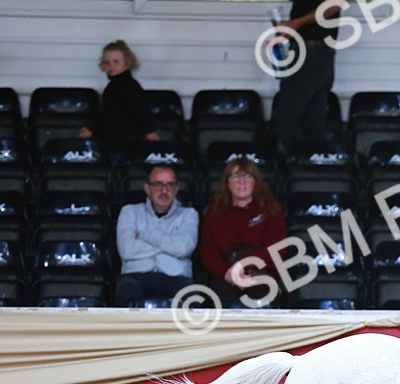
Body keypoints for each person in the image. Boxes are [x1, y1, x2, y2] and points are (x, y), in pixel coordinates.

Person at [198, 158, 287, 307]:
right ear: (227, 182)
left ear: (255, 182)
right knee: (220, 300)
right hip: (225, 276)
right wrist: (228, 274)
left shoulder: (271, 210)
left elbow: (278, 248)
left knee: (263, 298)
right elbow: (208, 250)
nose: (242, 181)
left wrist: (243, 265)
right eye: (236, 176)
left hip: (262, 275)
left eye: (247, 176)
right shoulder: (214, 212)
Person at [114, 165, 198, 306]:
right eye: (158, 184)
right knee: (125, 289)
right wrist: (171, 243)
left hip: (177, 278)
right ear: (147, 188)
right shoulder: (130, 212)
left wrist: (145, 235)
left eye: (170, 185)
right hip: (136, 277)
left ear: (176, 190)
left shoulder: (189, 214)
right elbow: (127, 250)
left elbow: (183, 248)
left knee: (192, 295)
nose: (164, 190)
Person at [270, 1, 341, 151]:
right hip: (318, 54)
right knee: (313, 124)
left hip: (309, 54)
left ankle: (304, 164)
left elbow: (335, 4)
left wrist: (297, 23)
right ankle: (317, 166)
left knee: (285, 120)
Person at [78, 40, 159, 150]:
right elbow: (106, 115)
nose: (111, 66)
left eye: (116, 62)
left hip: (125, 142)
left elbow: (142, 113)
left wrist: (153, 137)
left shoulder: (129, 87)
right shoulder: (114, 87)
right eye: (107, 62)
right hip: (115, 141)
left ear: (127, 63)